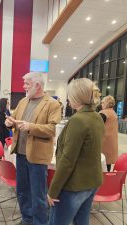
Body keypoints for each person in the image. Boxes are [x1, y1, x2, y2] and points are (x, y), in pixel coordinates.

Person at [5, 72, 61, 225]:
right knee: (22, 191)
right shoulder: (24, 101)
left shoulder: (52, 104)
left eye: (27, 84)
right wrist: (10, 122)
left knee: (38, 195)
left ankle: (40, 222)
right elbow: (14, 118)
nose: (24, 86)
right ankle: (27, 219)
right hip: (21, 154)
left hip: (38, 156)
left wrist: (31, 127)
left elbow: (51, 129)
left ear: (37, 85)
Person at [47, 78, 105, 225]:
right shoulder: (97, 117)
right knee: (81, 221)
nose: (68, 98)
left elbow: (67, 160)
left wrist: (52, 191)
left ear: (76, 97)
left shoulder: (78, 120)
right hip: (92, 182)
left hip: (75, 185)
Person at [99, 95, 118, 172]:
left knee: (102, 161)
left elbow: (97, 126)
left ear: (107, 103)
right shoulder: (113, 113)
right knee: (108, 163)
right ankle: (107, 179)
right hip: (112, 142)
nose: (101, 104)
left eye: (103, 102)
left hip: (104, 142)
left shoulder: (103, 113)